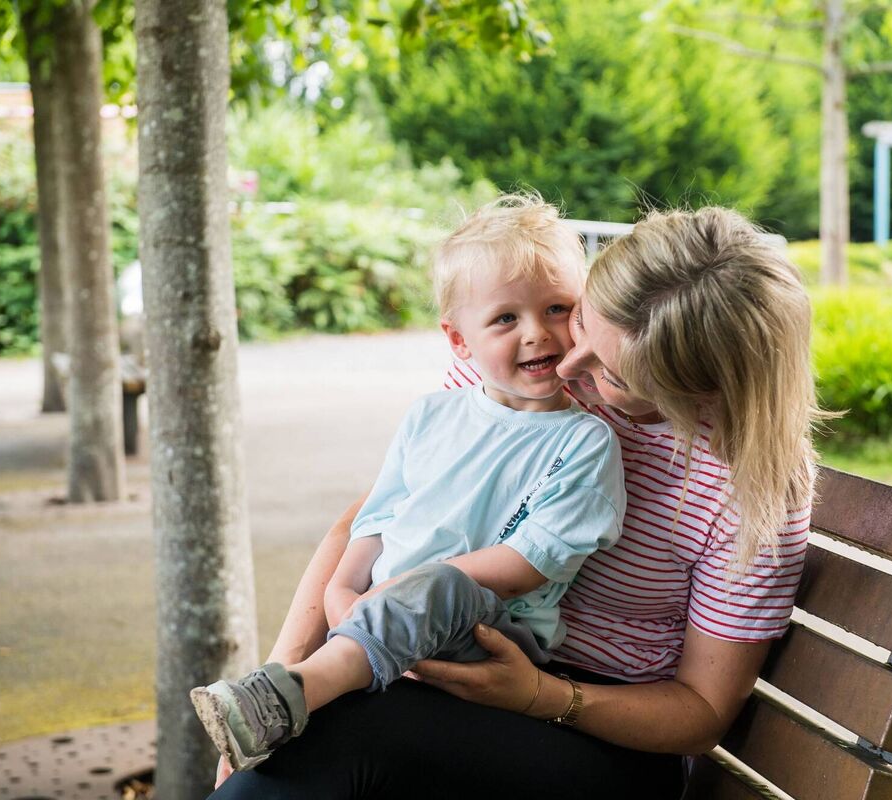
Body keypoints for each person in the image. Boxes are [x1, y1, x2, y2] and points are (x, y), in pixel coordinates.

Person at [210, 205, 820, 799]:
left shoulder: (751, 492)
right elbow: (380, 514)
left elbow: (702, 711)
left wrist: (534, 694)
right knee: (299, 744)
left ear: (701, 391)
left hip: (598, 734)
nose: (568, 364)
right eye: (583, 321)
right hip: (427, 650)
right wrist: (286, 668)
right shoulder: (524, 377)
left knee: (341, 740)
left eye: (613, 373)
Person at [191, 195, 626, 772]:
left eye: (556, 309)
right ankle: (285, 706)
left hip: (493, 634)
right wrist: (341, 591)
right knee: (317, 752)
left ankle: (289, 695)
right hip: (386, 619)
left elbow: (529, 564)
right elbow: (376, 519)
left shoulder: (584, 442)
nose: (537, 334)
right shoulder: (432, 416)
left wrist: (398, 591)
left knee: (439, 588)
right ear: (459, 340)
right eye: (505, 318)